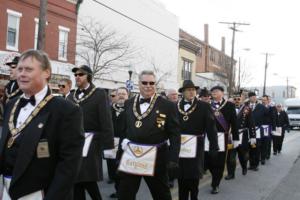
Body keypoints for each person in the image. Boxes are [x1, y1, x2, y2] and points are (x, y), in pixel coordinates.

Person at [0, 49, 84, 200]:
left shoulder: (66, 110)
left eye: (29, 69)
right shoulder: (11, 104)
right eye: (19, 69)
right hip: (5, 190)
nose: (22, 74)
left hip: (39, 193)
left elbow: (69, 166)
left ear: (46, 73)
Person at [118, 70, 180, 200]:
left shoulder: (167, 105)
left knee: (161, 194)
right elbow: (124, 129)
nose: (148, 85)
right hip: (131, 155)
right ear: (138, 84)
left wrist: (173, 157)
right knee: (125, 193)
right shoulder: (129, 102)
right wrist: (119, 152)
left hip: (156, 156)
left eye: (151, 83)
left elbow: (174, 133)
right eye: (144, 82)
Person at [68, 65, 114, 200]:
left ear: (88, 76)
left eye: (80, 74)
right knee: (76, 179)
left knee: (87, 178)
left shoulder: (99, 94)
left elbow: (106, 121)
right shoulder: (71, 96)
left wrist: (108, 146)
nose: (77, 77)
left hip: (92, 141)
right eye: (76, 75)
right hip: (74, 142)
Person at [177, 80, 218, 200]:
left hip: (196, 148)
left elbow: (211, 128)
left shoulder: (204, 106)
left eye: (193, 90)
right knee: (181, 179)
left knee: (193, 180)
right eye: (188, 90)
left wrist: (213, 146)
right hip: (179, 148)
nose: (191, 92)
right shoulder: (175, 106)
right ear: (183, 92)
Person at [204, 86, 239, 194]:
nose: (213, 92)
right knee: (207, 161)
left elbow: (234, 123)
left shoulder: (230, 105)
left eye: (216, 91)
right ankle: (214, 174)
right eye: (212, 91)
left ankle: (215, 184)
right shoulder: (206, 105)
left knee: (219, 163)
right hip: (207, 137)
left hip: (222, 138)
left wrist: (236, 138)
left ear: (222, 93)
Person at [225, 91, 256, 179]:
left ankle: (244, 166)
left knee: (243, 155)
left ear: (242, 99)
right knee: (231, 156)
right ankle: (231, 174)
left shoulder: (247, 108)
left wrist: (253, 136)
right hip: (232, 135)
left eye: (238, 99)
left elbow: (251, 123)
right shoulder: (228, 108)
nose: (237, 100)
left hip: (243, 135)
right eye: (235, 99)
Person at [106, 87, 129, 198]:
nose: (121, 95)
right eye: (119, 94)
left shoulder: (131, 109)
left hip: (125, 144)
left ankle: (123, 192)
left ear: (128, 96)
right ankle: (118, 190)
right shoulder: (109, 109)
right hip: (111, 143)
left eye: (123, 94)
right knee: (113, 168)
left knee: (123, 170)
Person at [248, 92, 269, 170]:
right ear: (249, 98)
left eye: (254, 97)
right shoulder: (246, 106)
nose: (253, 98)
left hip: (257, 129)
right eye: (252, 97)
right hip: (248, 130)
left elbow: (268, 115)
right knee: (250, 147)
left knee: (256, 147)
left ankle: (256, 165)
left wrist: (262, 124)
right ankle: (251, 164)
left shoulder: (261, 106)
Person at [261, 95, 275, 161]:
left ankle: (267, 154)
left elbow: (273, 118)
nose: (263, 101)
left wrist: (273, 128)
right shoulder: (259, 107)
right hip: (260, 127)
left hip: (268, 127)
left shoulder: (271, 108)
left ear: (267, 100)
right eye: (262, 100)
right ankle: (261, 155)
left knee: (267, 141)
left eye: (265, 100)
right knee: (260, 141)